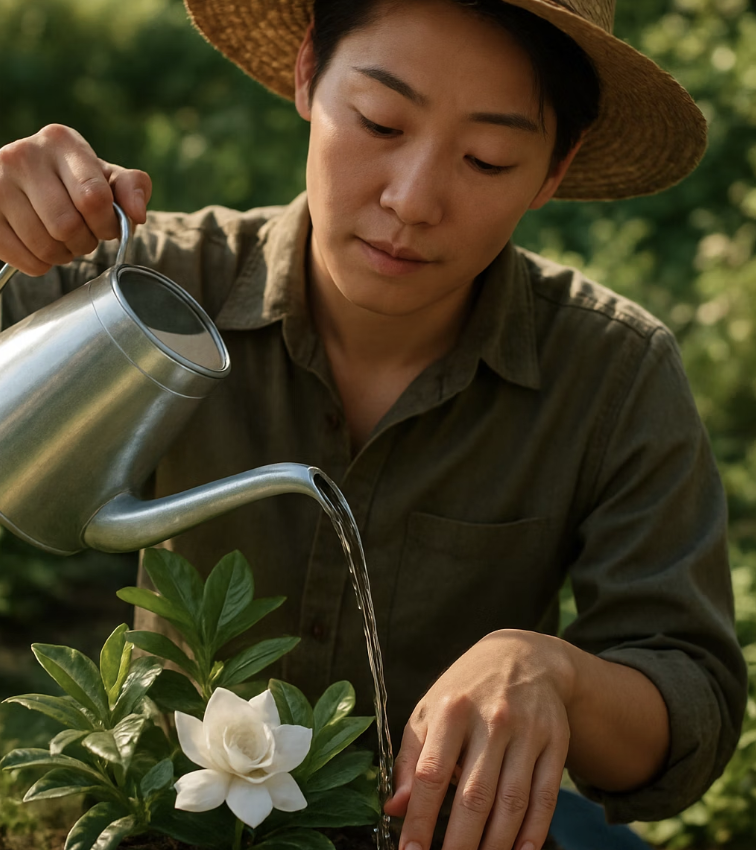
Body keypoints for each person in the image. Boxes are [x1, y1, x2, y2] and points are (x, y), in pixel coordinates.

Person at [0, 1, 748, 849]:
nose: (413, 199)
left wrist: (557, 676)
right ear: (309, 75)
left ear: (552, 171)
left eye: (487, 158)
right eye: (380, 121)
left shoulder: (610, 372)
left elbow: (691, 699)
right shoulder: (144, 290)